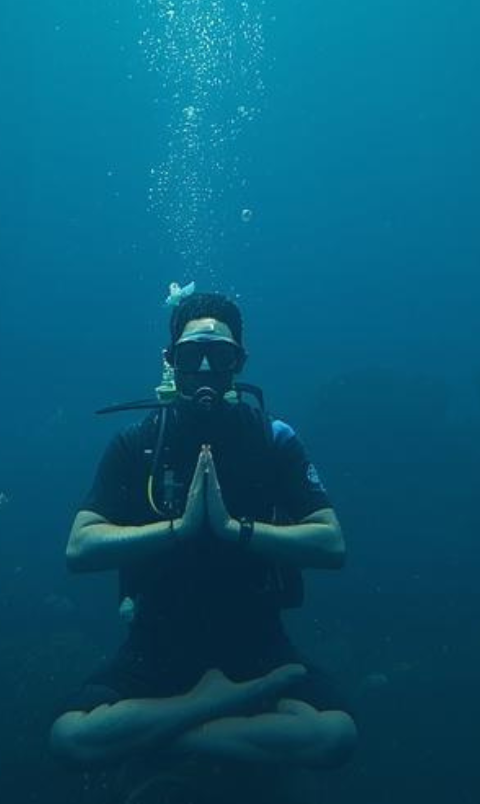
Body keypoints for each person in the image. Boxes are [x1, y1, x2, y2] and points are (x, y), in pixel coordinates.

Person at [50, 291, 356, 770]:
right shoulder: (137, 444)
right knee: (70, 736)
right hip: (157, 638)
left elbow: (331, 543)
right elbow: (80, 547)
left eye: (222, 356)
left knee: (336, 734)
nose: (208, 370)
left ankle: (165, 730)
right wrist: (180, 528)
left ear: (241, 362)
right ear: (171, 362)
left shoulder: (273, 439)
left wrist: (237, 530)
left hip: (255, 634)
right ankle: (214, 706)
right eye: (193, 356)